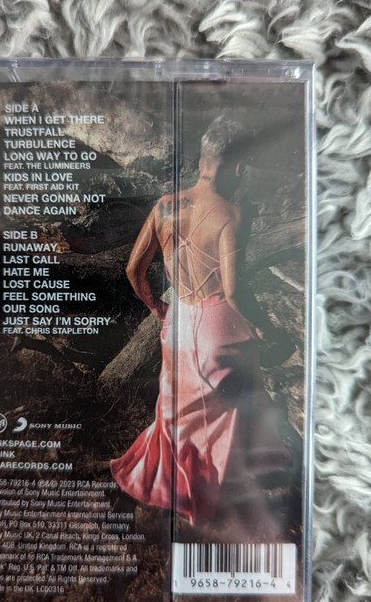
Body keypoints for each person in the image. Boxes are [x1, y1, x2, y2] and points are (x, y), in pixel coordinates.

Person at [110, 116, 290, 526]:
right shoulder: (233, 214)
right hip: (220, 330)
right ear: (238, 166)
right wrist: (268, 329)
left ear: (201, 161)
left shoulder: (165, 207)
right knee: (222, 423)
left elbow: (133, 269)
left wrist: (157, 307)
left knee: (177, 416)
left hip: (178, 322)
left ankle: (169, 494)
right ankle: (213, 507)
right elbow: (233, 292)